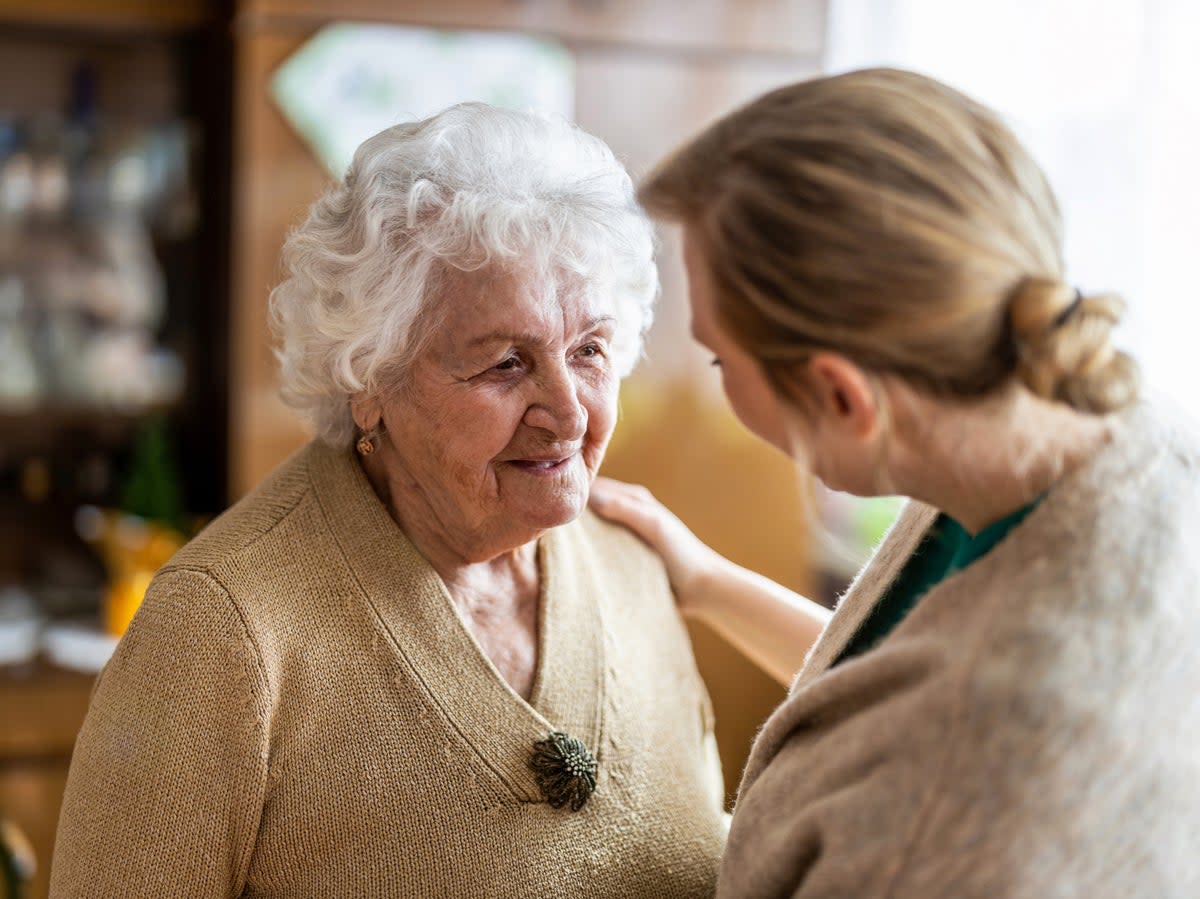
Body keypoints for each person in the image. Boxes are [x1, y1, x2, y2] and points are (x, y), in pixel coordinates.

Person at [50, 104, 726, 899]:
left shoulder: (635, 565)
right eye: (506, 363)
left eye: (589, 351)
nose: (570, 413)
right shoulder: (222, 632)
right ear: (369, 380)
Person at [590, 67, 1200, 897]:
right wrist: (707, 583)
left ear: (841, 395)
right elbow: (897, 682)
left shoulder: (959, 802)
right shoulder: (1100, 429)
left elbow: (940, 733)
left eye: (719, 358)